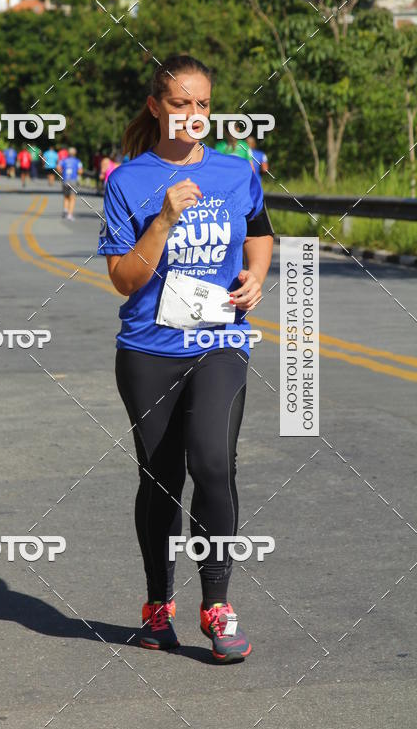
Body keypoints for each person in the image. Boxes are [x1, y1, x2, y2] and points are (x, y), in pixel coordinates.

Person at [97, 54, 274, 663]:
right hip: (149, 350)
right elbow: (124, 279)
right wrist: (165, 219)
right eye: (180, 104)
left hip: (219, 341)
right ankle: (157, 606)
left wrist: (255, 276)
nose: (193, 115)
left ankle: (217, 605)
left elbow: (259, 231)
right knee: (161, 477)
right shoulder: (126, 182)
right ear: (156, 107)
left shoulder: (236, 170)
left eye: (203, 104)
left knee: (214, 464)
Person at [58, 146, 82, 220]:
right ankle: (70, 214)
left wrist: (62, 173)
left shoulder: (63, 160)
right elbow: (80, 171)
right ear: (75, 153)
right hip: (73, 180)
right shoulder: (77, 161)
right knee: (72, 198)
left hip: (65, 180)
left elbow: (58, 168)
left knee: (66, 196)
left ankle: (65, 210)